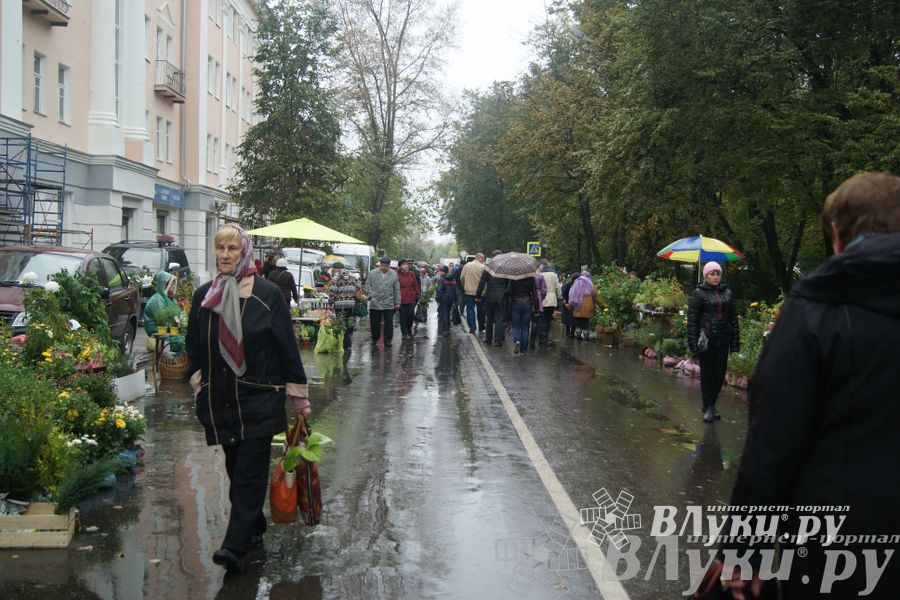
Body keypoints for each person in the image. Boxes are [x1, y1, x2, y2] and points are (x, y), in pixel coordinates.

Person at [708, 171, 900, 599]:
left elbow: (774, 442)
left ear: (837, 235)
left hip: (840, 545)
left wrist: (743, 550)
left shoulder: (817, 310)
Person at [185, 224, 309, 573]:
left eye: (232, 249)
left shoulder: (267, 294)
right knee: (234, 466)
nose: (225, 255)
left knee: (249, 473)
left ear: (245, 253)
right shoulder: (203, 296)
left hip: (259, 398)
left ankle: (234, 544)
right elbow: (194, 345)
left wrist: (299, 397)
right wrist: (198, 381)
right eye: (220, 248)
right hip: (221, 400)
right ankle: (253, 525)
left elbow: (287, 348)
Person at [686, 261, 739, 423]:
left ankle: (711, 404)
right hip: (707, 340)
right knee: (707, 374)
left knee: (719, 375)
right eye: (712, 274)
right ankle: (708, 407)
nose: (715, 277)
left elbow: (733, 319)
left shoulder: (728, 293)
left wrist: (735, 342)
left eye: (718, 274)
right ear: (706, 276)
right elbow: (693, 320)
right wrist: (693, 342)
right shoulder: (699, 293)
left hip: (723, 339)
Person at [143, 271, 184, 353]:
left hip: (169, 331)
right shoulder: (157, 300)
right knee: (181, 340)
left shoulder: (171, 299)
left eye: (174, 284)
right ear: (164, 285)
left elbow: (177, 317)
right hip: (157, 332)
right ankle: (174, 361)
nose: (174, 286)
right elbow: (163, 321)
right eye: (171, 284)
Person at [476, 250, 510, 347]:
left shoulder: (488, 267)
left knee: (489, 318)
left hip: (490, 296)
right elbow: (509, 283)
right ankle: (498, 340)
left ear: (492, 257)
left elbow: (482, 283)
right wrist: (507, 293)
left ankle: (488, 339)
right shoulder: (506, 269)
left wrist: (478, 296)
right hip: (501, 297)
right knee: (499, 319)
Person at [327, 262, 362, 351]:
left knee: (341, 323)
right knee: (346, 322)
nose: (333, 270)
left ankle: (346, 343)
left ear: (336, 269)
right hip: (350, 304)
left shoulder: (336, 278)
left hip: (339, 305)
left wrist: (330, 303)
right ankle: (345, 342)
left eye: (333, 269)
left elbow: (333, 292)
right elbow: (359, 287)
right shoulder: (353, 276)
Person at [366, 257, 400, 347]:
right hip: (375, 301)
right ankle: (374, 339)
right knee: (374, 322)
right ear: (379, 265)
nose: (383, 268)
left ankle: (388, 340)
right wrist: (372, 295)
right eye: (382, 265)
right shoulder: (372, 273)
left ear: (389, 266)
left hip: (388, 302)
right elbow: (367, 286)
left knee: (389, 322)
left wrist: (397, 302)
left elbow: (396, 289)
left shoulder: (394, 274)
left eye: (386, 266)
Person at [508, 275, 541, 356]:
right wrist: (537, 309)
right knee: (525, 327)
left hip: (516, 303)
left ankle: (517, 340)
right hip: (527, 304)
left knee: (515, 326)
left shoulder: (514, 278)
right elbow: (535, 295)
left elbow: (509, 292)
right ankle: (522, 350)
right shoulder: (531, 279)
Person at [567, 271, 600, 340]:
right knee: (585, 322)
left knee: (578, 321)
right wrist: (602, 306)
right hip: (588, 307)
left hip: (577, 307)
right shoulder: (591, 284)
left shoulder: (576, 283)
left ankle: (578, 336)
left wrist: (570, 305)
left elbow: (571, 294)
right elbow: (597, 297)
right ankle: (586, 337)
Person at [460, 252, 486, 335]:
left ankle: (472, 328)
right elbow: (485, 281)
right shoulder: (483, 267)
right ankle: (481, 328)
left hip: (469, 292)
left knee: (470, 309)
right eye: (483, 259)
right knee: (480, 310)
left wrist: (465, 286)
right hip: (480, 293)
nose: (483, 260)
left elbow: (461, 277)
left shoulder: (467, 265)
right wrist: (484, 291)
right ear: (480, 258)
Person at [538, 260, 562, 347]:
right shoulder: (554, 275)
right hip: (552, 300)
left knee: (541, 318)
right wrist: (560, 296)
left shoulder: (539, 274)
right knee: (548, 319)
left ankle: (540, 337)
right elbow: (558, 287)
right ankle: (545, 337)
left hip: (541, 299)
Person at [396, 259, 421, 339]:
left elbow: (415, 285)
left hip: (411, 297)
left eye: (406, 264)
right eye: (403, 264)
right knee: (402, 316)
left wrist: (418, 294)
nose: (406, 266)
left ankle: (409, 330)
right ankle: (404, 333)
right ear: (400, 266)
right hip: (401, 298)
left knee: (410, 315)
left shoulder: (412, 274)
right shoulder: (397, 275)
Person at [434, 265, 455, 336]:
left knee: (444, 314)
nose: (439, 272)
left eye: (440, 271)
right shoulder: (452, 279)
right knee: (448, 314)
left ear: (443, 272)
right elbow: (455, 289)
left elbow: (439, 290)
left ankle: (446, 330)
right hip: (451, 299)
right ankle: (447, 328)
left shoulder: (442, 279)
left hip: (443, 299)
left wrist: (437, 298)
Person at [560, 272, 579, 338]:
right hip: (568, 304)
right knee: (569, 319)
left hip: (573, 305)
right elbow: (563, 295)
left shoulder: (577, 285)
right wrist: (566, 303)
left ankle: (571, 333)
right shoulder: (568, 285)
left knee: (573, 319)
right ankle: (569, 332)